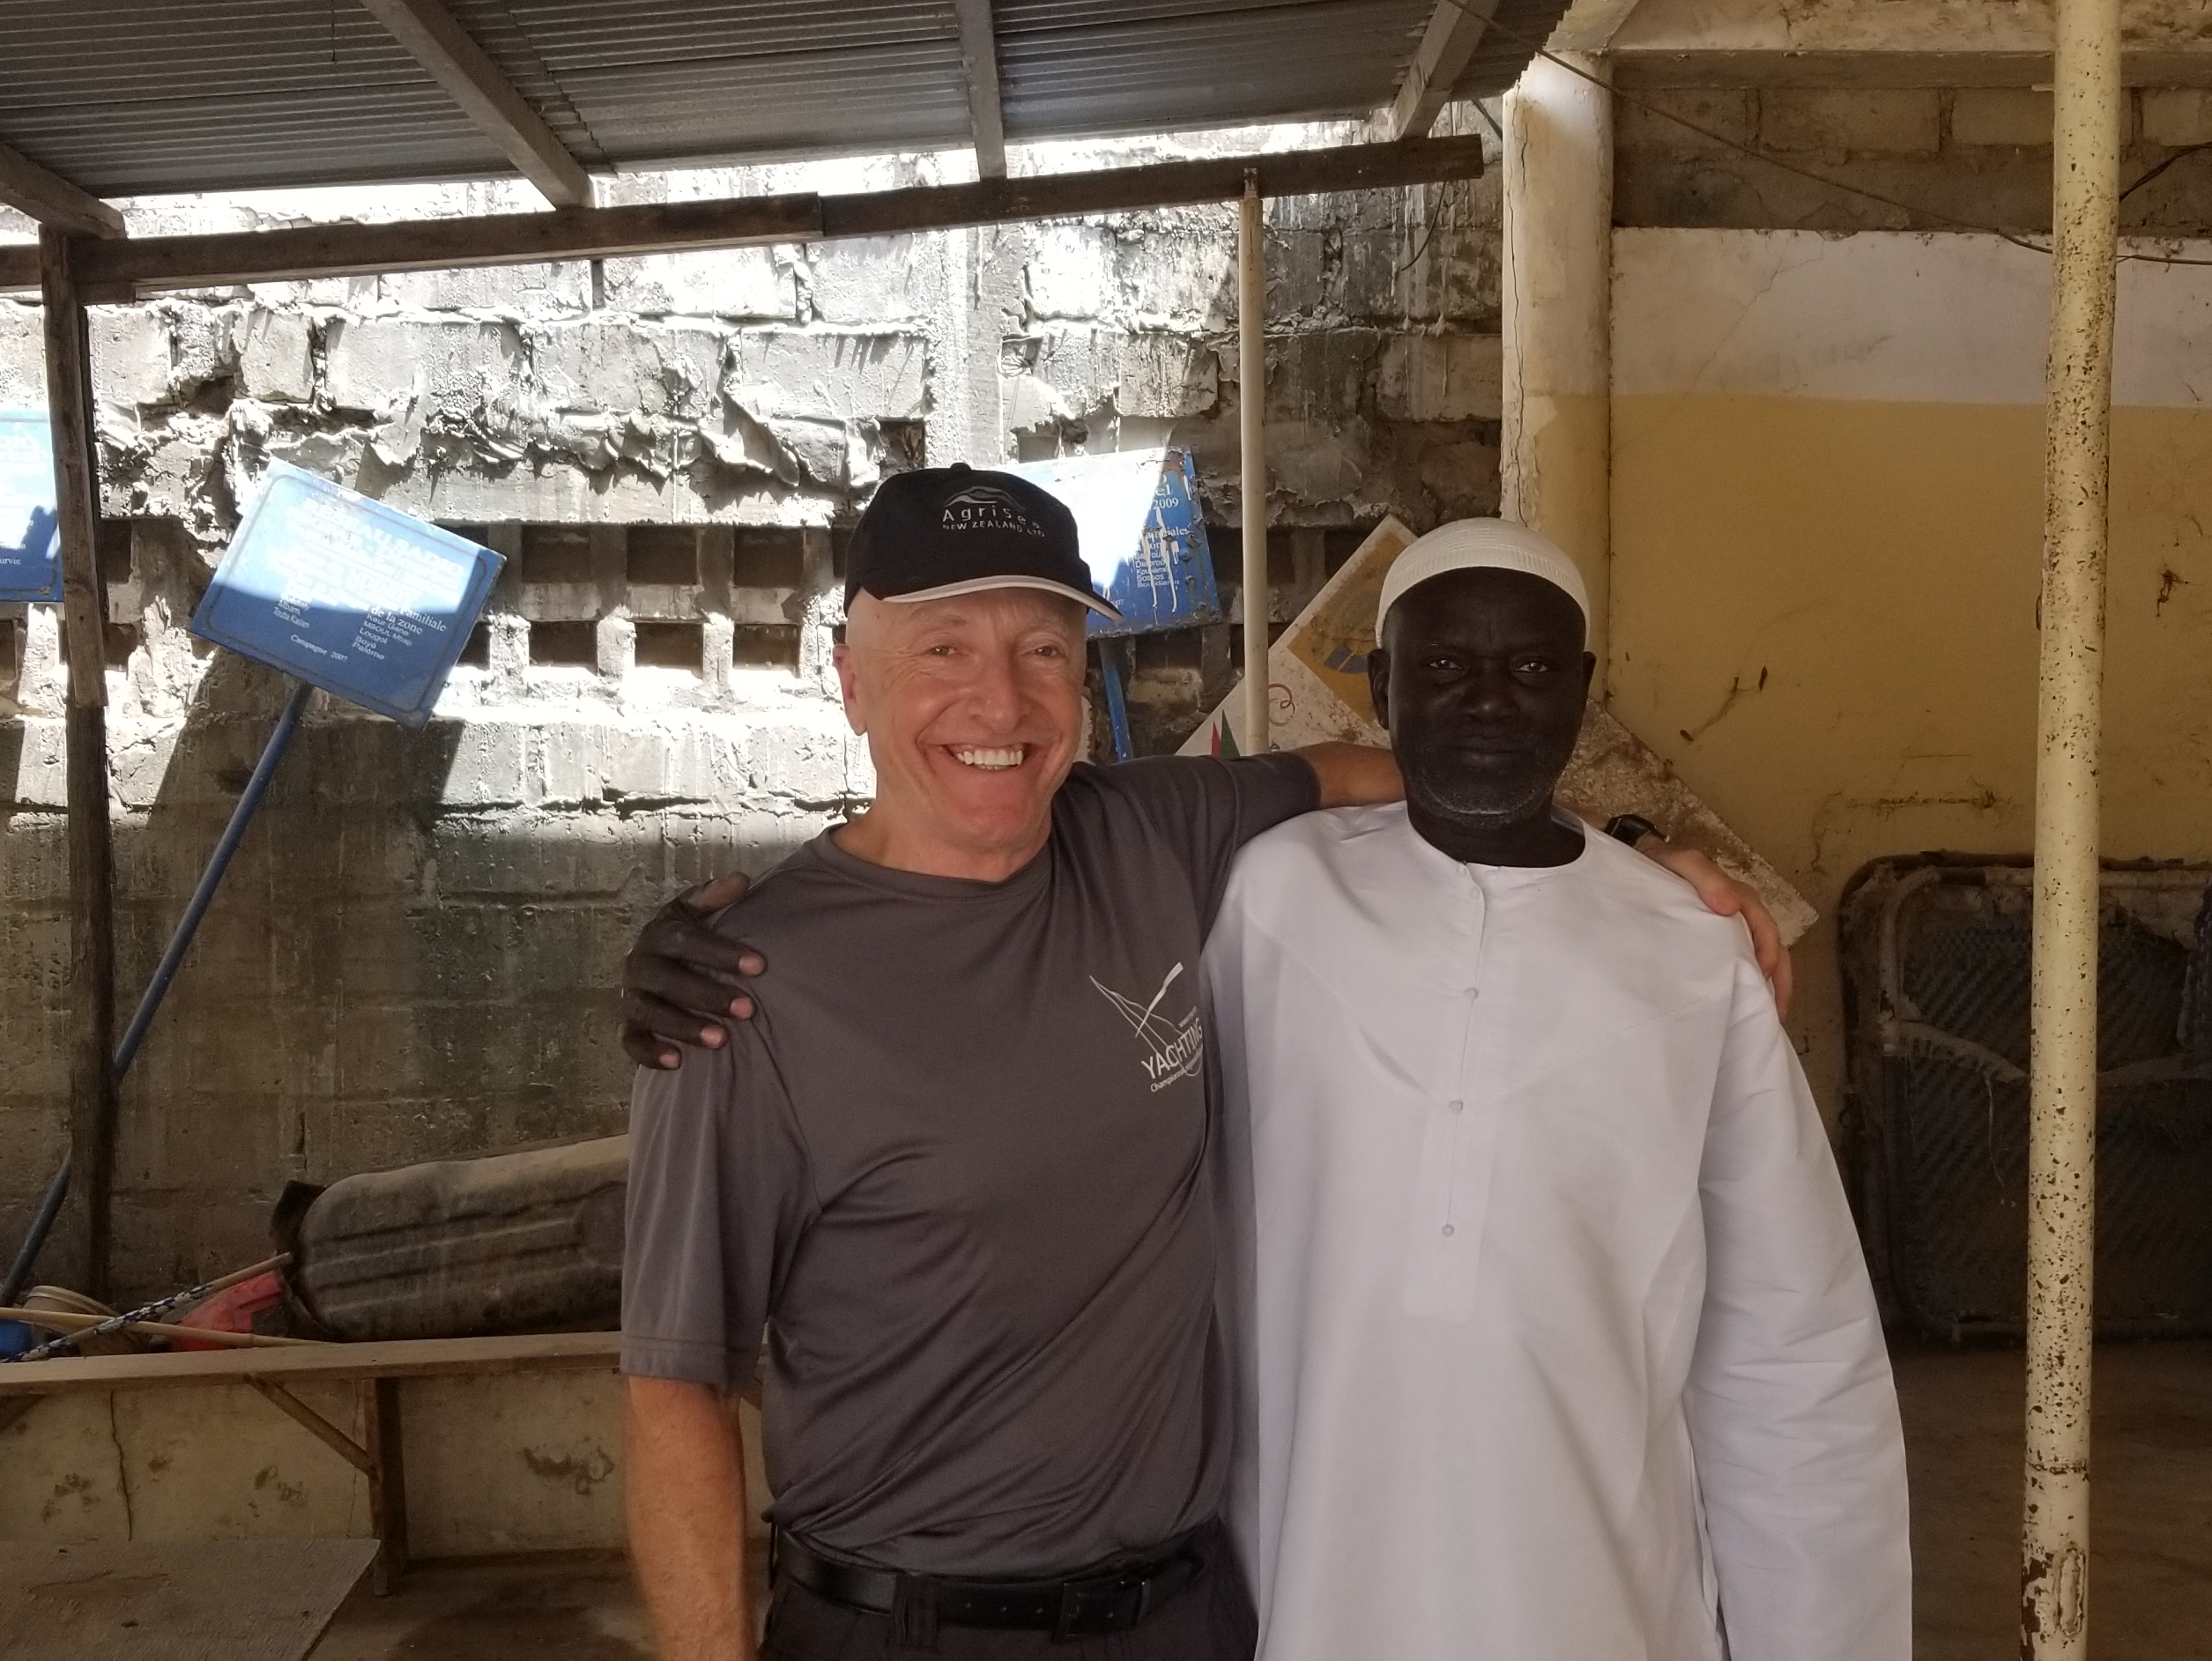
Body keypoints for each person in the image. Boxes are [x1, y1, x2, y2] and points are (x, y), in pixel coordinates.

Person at [612, 466, 1789, 1661]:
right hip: (910, 1625)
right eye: (943, 649)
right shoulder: (743, 988)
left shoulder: (1149, 834)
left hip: (1186, 1614)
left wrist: (1635, 856)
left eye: (1042, 650)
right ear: (852, 681)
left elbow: (1412, 773)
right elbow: (675, 1388)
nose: (1000, 700)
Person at [1213, 518, 1909, 1661]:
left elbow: (1790, 1346)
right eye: (1445, 666)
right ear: (1382, 688)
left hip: (1599, 1595)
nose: (1489, 701)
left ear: (1582, 690)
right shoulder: (1267, 901)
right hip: (1308, 1574)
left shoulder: (1690, 957)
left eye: (1532, 667)